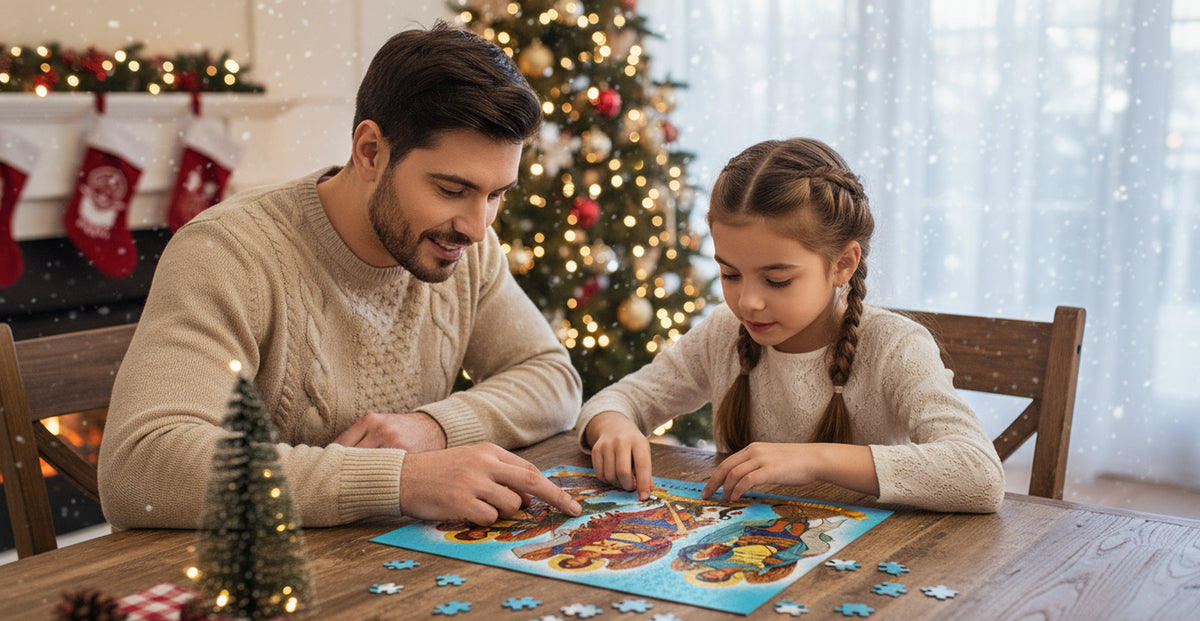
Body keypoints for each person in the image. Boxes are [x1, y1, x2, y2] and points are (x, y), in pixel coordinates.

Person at [98, 21, 584, 530]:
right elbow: (139, 467)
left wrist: (434, 429)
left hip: (386, 572)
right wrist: (398, 479)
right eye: (451, 189)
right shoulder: (227, 253)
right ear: (370, 152)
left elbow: (551, 378)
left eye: (496, 195)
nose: (478, 228)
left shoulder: (458, 246)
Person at [576, 138, 1004, 513]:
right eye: (730, 274)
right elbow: (618, 400)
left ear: (843, 264)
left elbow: (979, 474)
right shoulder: (724, 334)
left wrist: (812, 459)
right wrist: (614, 425)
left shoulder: (895, 347)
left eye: (777, 279)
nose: (748, 301)